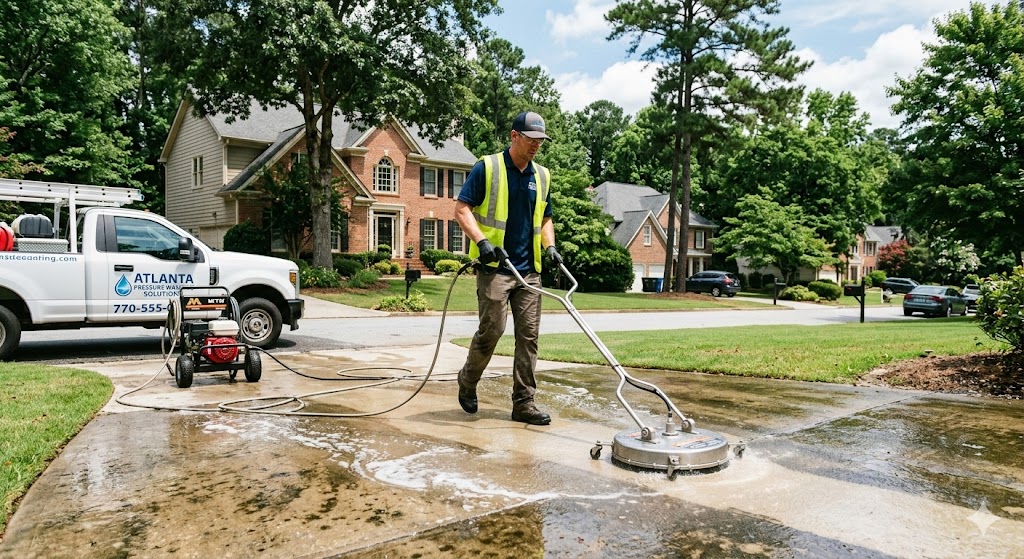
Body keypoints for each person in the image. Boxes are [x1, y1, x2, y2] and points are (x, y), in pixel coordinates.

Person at [453, 111, 562, 426]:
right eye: (531, 139)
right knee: (493, 330)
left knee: (529, 337)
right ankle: (468, 379)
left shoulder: (542, 176)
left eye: (540, 141)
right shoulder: (488, 167)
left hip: (529, 271)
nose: (536, 146)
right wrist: (482, 242)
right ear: (514, 136)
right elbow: (462, 208)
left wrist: (550, 246)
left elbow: (545, 218)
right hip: (495, 268)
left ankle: (524, 403)